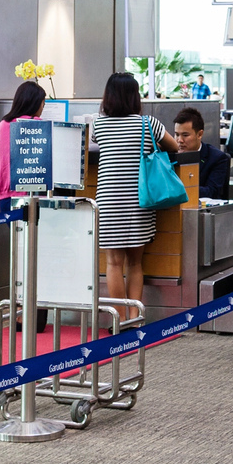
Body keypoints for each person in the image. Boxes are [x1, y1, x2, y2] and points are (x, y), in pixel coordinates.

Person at [90, 71, 180, 310]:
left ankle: (119, 320)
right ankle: (134, 316)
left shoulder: (98, 126)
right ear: (135, 97)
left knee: (113, 263)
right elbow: (173, 147)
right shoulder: (148, 123)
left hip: (109, 202)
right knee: (135, 263)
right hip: (139, 200)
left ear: (107, 97)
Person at [0, 80, 46, 200]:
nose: (42, 107)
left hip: (5, 192)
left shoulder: (3, 124)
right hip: (31, 193)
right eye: (43, 103)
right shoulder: (38, 125)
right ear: (36, 103)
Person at [175, 107, 231, 200]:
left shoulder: (216, 158)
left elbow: (211, 192)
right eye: (177, 135)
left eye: (185, 135)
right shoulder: (170, 156)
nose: (179, 140)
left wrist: (177, 187)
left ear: (199, 134)